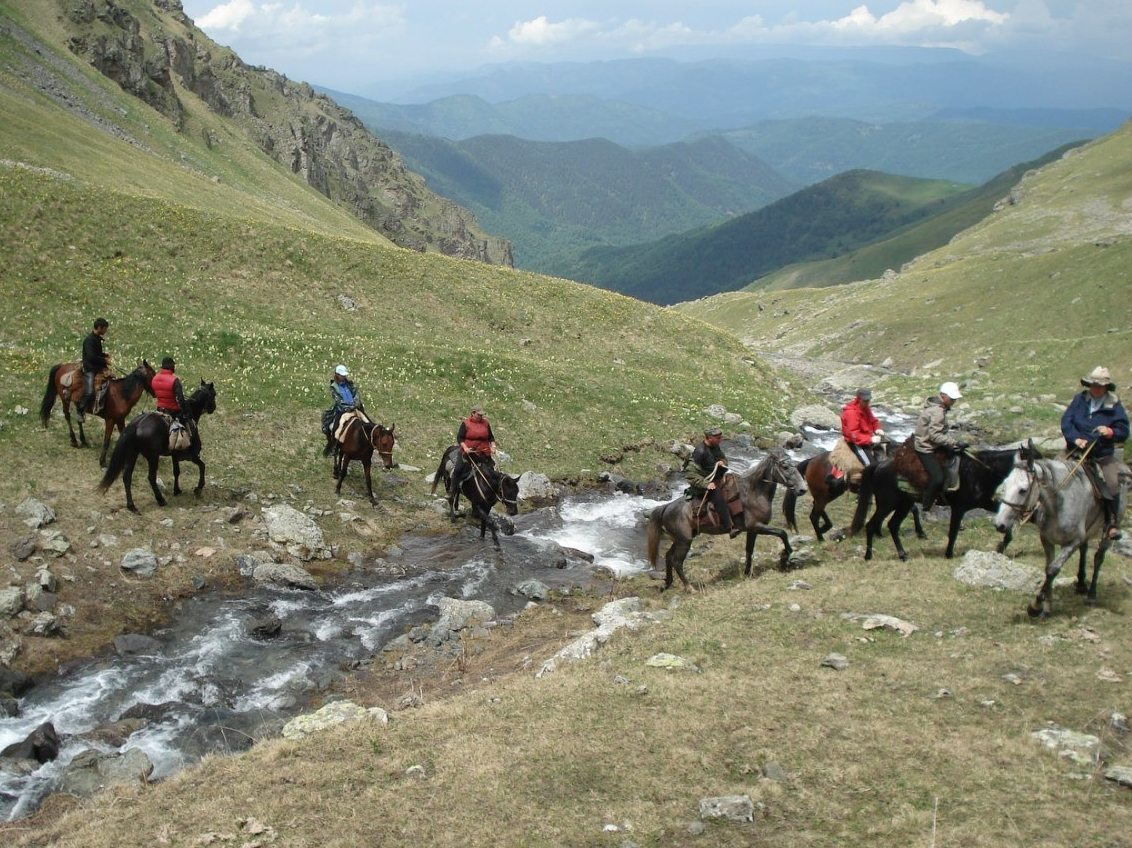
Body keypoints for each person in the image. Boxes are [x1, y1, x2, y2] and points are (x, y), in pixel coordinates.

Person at [1061, 366, 1128, 540]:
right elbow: (1067, 421)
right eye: (1093, 385)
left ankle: (1111, 523)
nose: (1096, 388)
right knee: (1050, 472)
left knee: (1112, 482)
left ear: (1106, 387)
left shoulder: (1114, 405)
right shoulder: (1079, 400)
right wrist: (1075, 439)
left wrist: (1110, 431)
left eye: (1099, 386)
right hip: (1074, 450)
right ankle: (1039, 511)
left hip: (1101, 454)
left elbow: (1123, 430)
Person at [914, 381, 968, 513]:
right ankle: (926, 507)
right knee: (937, 478)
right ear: (943, 396)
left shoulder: (938, 407)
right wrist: (954, 443)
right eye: (952, 399)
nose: (954, 401)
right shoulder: (937, 411)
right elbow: (934, 435)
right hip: (925, 447)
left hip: (933, 444)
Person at [685, 426, 740, 538]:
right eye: (718, 438)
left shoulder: (715, 446)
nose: (721, 439)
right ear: (710, 438)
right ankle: (730, 527)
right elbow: (690, 474)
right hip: (705, 482)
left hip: (717, 477)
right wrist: (706, 484)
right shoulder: (700, 452)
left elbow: (723, 458)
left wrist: (722, 461)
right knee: (718, 497)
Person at [448, 405, 497, 497]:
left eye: (482, 415)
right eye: (479, 415)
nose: (481, 417)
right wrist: (465, 448)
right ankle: (452, 490)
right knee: (458, 470)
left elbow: (490, 437)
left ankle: (492, 492)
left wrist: (493, 445)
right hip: (469, 452)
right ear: (473, 413)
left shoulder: (486, 423)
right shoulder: (466, 424)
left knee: (492, 471)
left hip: (484, 452)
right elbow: (460, 438)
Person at [839, 387, 886, 471]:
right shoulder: (851, 413)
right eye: (865, 401)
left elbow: (873, 421)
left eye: (868, 400)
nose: (867, 403)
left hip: (867, 438)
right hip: (856, 443)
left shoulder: (865, 408)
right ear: (859, 399)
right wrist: (870, 439)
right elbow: (854, 435)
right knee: (870, 466)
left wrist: (878, 428)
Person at [322, 364, 363, 456]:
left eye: (344, 375)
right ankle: (335, 445)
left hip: (355, 408)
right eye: (342, 375)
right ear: (337, 375)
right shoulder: (334, 387)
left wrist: (355, 405)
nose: (344, 377)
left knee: (367, 422)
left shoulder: (351, 385)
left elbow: (356, 396)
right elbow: (338, 400)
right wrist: (347, 407)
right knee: (334, 427)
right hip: (342, 410)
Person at [76, 317, 110, 422]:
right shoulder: (89, 340)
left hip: (97, 367)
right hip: (90, 369)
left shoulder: (96, 339)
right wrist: (104, 360)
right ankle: (80, 410)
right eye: (105, 329)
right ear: (99, 328)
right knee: (89, 391)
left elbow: (97, 354)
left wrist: (104, 355)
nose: (106, 331)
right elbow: (91, 357)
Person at [152, 357, 188, 426]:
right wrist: (185, 411)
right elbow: (180, 399)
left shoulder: (155, 378)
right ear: (171, 366)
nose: (174, 367)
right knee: (188, 424)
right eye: (173, 365)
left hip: (159, 409)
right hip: (173, 411)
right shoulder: (175, 380)